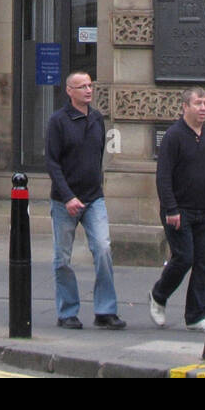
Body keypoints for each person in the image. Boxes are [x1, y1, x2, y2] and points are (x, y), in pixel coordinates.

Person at [44, 71, 126, 330]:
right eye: (82, 87)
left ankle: (105, 310)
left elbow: (97, 154)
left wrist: (95, 187)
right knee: (63, 258)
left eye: (90, 85)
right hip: (64, 200)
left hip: (93, 198)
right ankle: (67, 312)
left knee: (102, 249)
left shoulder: (97, 119)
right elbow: (52, 163)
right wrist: (68, 197)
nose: (88, 90)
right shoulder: (58, 121)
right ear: (69, 91)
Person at [149, 86, 205, 331]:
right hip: (178, 210)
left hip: (203, 210)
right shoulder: (174, 136)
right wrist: (170, 208)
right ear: (185, 107)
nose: (203, 108)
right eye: (198, 104)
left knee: (204, 263)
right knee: (184, 258)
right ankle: (158, 295)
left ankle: (195, 316)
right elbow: (163, 176)